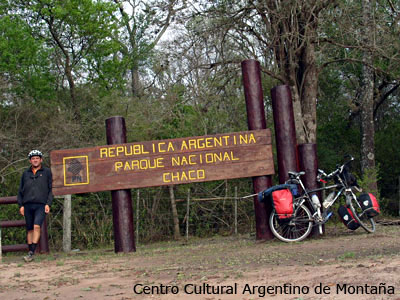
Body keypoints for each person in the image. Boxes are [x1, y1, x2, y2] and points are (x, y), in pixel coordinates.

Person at [17, 150, 53, 262]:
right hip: (27, 204)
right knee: (29, 229)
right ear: (30, 160)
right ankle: (30, 252)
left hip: (41, 204)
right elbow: (20, 191)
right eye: (33, 158)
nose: (35, 160)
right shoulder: (25, 174)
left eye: (37, 158)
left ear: (41, 159)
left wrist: (48, 203)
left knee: (37, 226)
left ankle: (31, 252)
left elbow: (51, 189)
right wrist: (21, 205)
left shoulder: (47, 172)